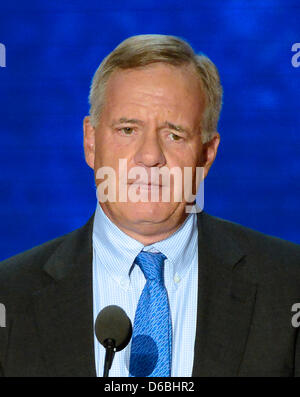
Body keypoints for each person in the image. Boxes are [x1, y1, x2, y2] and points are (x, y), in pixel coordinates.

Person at [0, 34, 300, 377]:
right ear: (91, 143)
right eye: (128, 129)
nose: (150, 157)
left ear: (206, 156)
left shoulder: (290, 286)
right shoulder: (9, 296)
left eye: (174, 135)